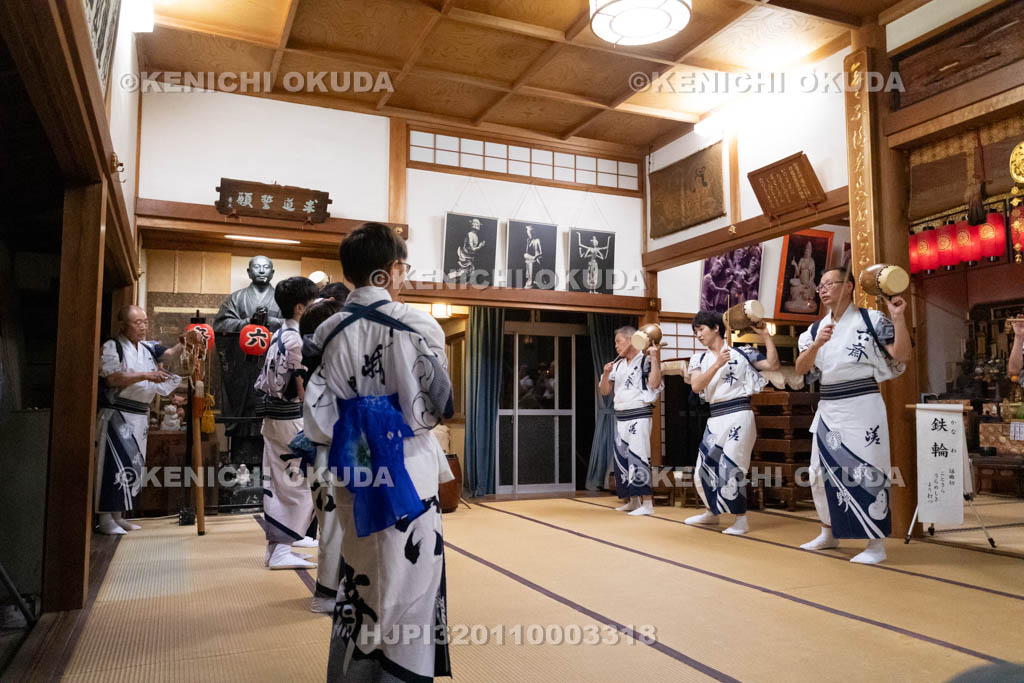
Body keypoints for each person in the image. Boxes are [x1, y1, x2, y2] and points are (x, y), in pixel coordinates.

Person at [304, 223, 454, 680]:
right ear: (390, 270)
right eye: (402, 267)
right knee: (413, 575)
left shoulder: (326, 332)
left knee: (362, 567)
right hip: (409, 461)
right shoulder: (418, 323)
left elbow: (317, 410)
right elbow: (442, 403)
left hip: (356, 462)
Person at [795, 267, 911, 564]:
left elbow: (901, 356)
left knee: (867, 469)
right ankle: (828, 531)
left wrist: (898, 318)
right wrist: (818, 343)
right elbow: (801, 369)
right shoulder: (813, 330)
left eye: (829, 283)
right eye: (819, 285)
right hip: (829, 406)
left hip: (862, 404)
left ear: (849, 287)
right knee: (820, 473)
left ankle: (875, 544)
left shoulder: (873, 320)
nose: (822, 289)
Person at [686, 311, 779, 535]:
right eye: (695, 331)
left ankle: (740, 519)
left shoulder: (742, 352)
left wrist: (766, 336)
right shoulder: (699, 359)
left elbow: (773, 365)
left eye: (701, 329)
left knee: (733, 466)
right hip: (715, 416)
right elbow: (697, 386)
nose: (698, 335)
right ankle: (711, 512)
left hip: (739, 413)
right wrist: (717, 364)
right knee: (703, 469)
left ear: (716, 328)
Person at [95, 305, 183, 535]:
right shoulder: (112, 347)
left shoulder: (147, 347)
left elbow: (170, 353)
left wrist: (186, 340)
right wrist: (147, 374)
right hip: (118, 414)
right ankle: (105, 518)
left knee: (133, 464)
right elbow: (113, 378)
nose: (143, 326)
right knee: (115, 464)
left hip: (140, 414)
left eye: (145, 321)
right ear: (123, 325)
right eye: (137, 322)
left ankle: (119, 515)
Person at [254, 276, 320, 570]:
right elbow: (300, 385)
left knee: (282, 483)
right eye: (313, 303)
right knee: (298, 484)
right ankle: (281, 549)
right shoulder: (297, 340)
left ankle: (278, 546)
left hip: (274, 417)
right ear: (299, 308)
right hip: (290, 419)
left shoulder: (279, 335)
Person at [296, 296, 344, 612]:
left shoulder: (318, 371)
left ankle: (335, 591)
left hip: (327, 455)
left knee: (335, 528)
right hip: (331, 454)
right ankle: (327, 595)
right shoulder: (327, 374)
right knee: (334, 529)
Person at [214, 255, 284, 438]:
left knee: (269, 409)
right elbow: (221, 325)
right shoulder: (237, 298)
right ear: (249, 271)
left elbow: (292, 325)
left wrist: (271, 321)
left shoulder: (281, 298)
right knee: (244, 410)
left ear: (272, 272)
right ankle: (240, 458)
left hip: (272, 364)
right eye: (257, 267)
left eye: (266, 267)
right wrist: (247, 323)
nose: (261, 270)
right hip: (242, 365)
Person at [600, 326, 663, 516]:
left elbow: (653, 384)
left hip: (639, 414)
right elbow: (604, 391)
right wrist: (605, 374)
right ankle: (633, 500)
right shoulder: (617, 365)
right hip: (621, 417)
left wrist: (655, 359)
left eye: (619, 341)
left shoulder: (645, 360)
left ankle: (647, 503)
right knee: (623, 459)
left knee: (639, 456)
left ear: (631, 340)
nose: (616, 345)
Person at [447, 217, 486, 282]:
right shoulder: (470, 234)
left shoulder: (475, 235)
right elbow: (472, 248)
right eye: (478, 225)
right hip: (465, 257)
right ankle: (449, 277)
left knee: (470, 272)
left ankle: (464, 284)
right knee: (463, 272)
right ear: (474, 225)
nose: (479, 227)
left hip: (470, 257)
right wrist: (480, 246)